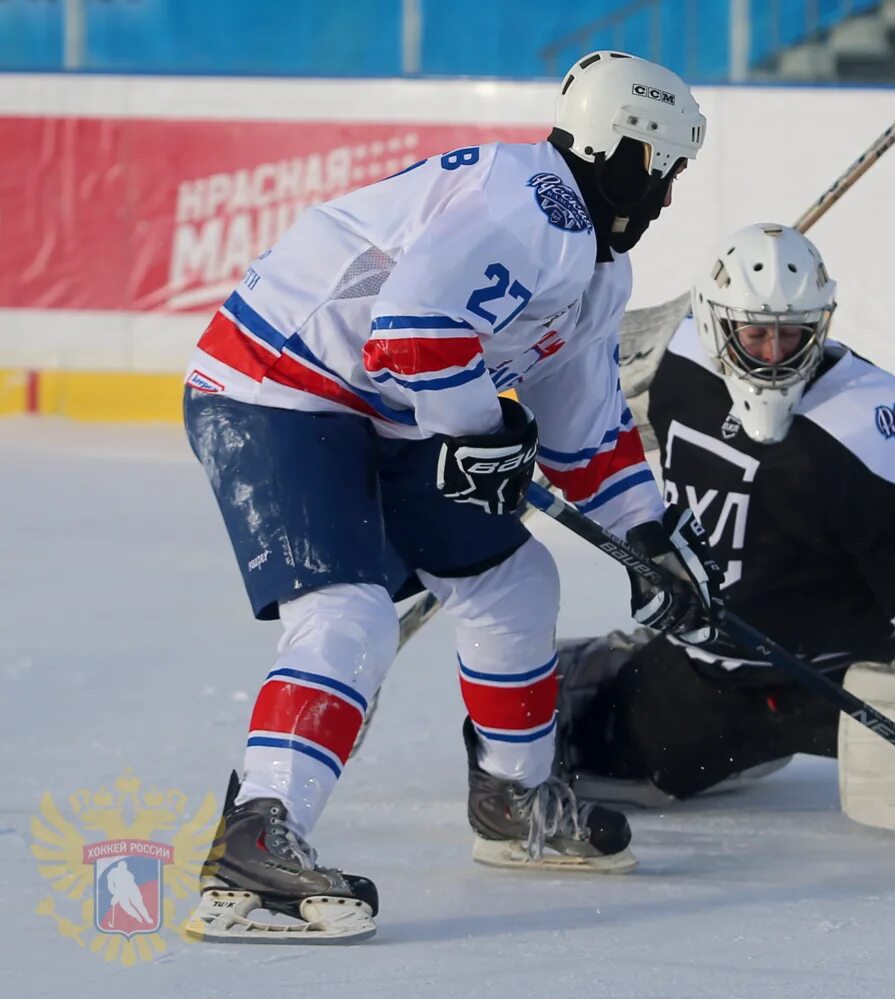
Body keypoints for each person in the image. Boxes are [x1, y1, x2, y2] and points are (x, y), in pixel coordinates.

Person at [182, 51, 720, 944]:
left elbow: (585, 425)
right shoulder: (529, 204)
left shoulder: (591, 265)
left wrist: (647, 535)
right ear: (631, 153)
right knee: (349, 612)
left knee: (513, 579)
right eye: (665, 172)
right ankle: (256, 837)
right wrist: (481, 431)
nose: (665, 197)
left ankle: (512, 799)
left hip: (381, 406)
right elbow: (413, 334)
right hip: (276, 384)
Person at [555, 221, 895, 804]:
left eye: (793, 336)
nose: (774, 355)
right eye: (756, 335)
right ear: (714, 326)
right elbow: (564, 395)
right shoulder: (671, 358)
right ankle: (633, 669)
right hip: (711, 671)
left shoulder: (867, 420)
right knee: (582, 746)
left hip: (841, 681)